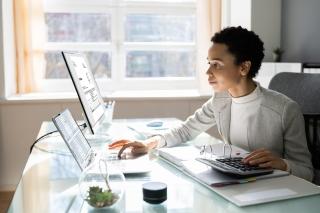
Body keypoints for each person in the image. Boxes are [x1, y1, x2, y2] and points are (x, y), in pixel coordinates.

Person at [110, 26, 313, 181]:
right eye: (209, 63)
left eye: (217, 65)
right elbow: (186, 130)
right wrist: (149, 143)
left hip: (273, 190)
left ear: (243, 67)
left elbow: (307, 172)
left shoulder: (285, 110)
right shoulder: (221, 99)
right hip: (235, 182)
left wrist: (283, 164)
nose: (208, 72)